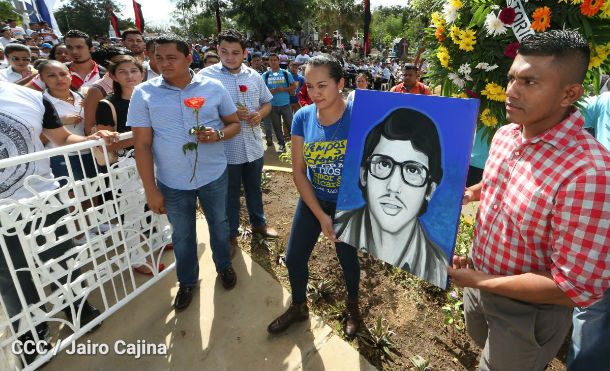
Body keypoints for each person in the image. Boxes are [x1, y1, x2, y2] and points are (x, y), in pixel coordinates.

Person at [448, 30, 610, 371]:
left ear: (570, 93)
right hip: (479, 282)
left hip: (528, 314)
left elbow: (572, 287)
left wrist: (479, 281)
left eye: (530, 82)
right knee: (482, 343)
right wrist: (472, 193)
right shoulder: (507, 135)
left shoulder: (588, 173)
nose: (510, 92)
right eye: (511, 79)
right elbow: (501, 186)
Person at [0, 81, 118, 365]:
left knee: (61, 255)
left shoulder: (29, 97)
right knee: (12, 273)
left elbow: (63, 139)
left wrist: (95, 137)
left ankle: (75, 305)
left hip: (41, 198)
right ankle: (30, 332)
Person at [128, 34, 241, 311]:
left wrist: (219, 134)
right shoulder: (144, 93)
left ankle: (224, 265)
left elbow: (234, 123)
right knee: (182, 235)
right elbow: (142, 145)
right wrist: (151, 189)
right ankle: (187, 281)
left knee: (219, 224)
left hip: (213, 174)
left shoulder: (213, 87)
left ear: (189, 59)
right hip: (172, 181)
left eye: (171, 57)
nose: (163, 63)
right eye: (158, 58)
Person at [267, 54, 361, 337]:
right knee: (295, 258)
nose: (315, 93)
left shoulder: (358, 117)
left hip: (348, 204)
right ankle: (298, 307)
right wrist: (321, 216)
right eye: (309, 86)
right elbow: (298, 172)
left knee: (348, 259)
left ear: (340, 83)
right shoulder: (302, 117)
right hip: (313, 200)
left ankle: (354, 307)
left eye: (322, 85)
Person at [334, 108, 448, 288]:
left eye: (412, 170)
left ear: (429, 190)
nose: (393, 187)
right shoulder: (339, 227)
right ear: (364, 175)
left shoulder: (439, 269)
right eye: (383, 164)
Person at [199, 29, 276, 258]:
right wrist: (229, 116)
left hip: (253, 146)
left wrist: (259, 115)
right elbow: (200, 112)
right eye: (224, 52)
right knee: (230, 195)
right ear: (218, 50)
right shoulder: (205, 77)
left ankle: (259, 225)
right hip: (226, 148)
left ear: (245, 52)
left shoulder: (253, 75)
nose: (229, 57)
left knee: (254, 189)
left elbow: (267, 103)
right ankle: (231, 234)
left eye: (235, 52)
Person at [566, 91, 610, 371]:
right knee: (594, 300)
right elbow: (572, 115)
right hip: (603, 209)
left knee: (594, 302)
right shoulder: (606, 101)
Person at [27, 30, 105, 92]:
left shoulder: (105, 74)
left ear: (91, 49)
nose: (74, 51)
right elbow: (24, 93)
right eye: (69, 47)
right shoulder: (53, 71)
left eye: (79, 47)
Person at [262, 53, 297, 152]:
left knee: (291, 126)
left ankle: (295, 145)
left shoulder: (286, 73)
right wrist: (270, 92)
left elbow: (294, 86)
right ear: (268, 62)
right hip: (272, 105)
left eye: (275, 60)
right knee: (277, 127)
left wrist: (284, 89)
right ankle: (282, 145)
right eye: (271, 60)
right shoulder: (266, 75)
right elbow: (261, 90)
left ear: (279, 61)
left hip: (285, 104)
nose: (273, 62)